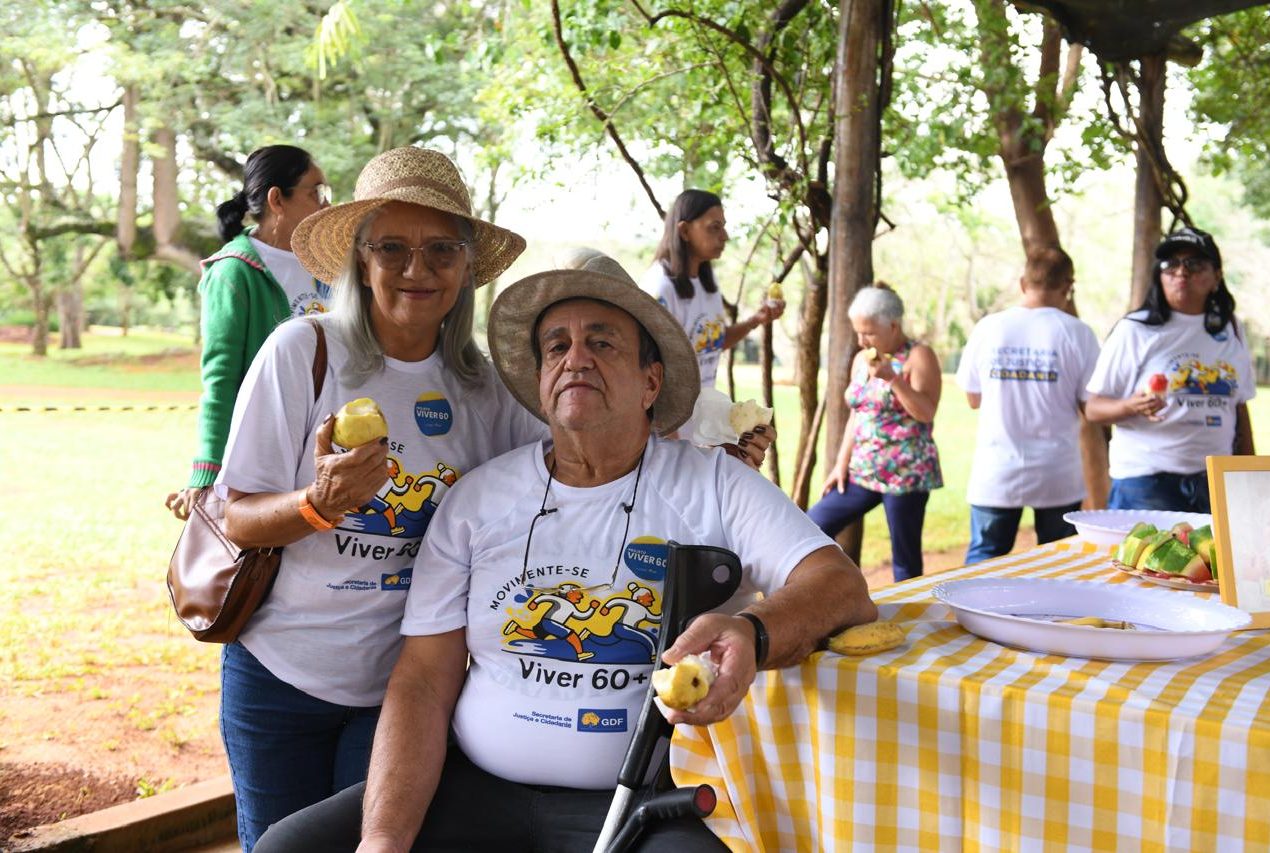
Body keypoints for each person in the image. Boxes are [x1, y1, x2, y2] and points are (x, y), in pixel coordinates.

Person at [253, 250, 877, 853]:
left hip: (649, 794)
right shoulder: (476, 500)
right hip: (476, 788)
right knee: (289, 846)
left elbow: (841, 586)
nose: (576, 359)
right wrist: (384, 838)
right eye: (557, 347)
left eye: (602, 343)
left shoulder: (715, 485)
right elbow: (423, 678)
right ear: (541, 381)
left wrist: (751, 632)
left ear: (650, 381)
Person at [212, 145, 544, 851]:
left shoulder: (485, 389)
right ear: (360, 258)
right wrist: (316, 503)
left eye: (441, 251)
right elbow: (233, 515)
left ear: (465, 267)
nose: (417, 271)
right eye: (392, 247)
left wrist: (696, 448)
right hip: (279, 674)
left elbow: (570, 463)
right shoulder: (301, 353)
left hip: (402, 693)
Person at [166, 144, 332, 521]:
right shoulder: (234, 273)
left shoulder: (328, 264)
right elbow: (220, 377)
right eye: (315, 192)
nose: (325, 205)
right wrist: (206, 471)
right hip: (265, 450)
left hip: (322, 449)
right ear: (277, 199)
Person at [1086, 227, 1256, 511]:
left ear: (1216, 276)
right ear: (1159, 275)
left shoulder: (1232, 329)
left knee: (1217, 557)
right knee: (1141, 558)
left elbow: (1239, 408)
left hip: (1214, 479)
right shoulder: (1136, 330)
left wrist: (1249, 473)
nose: (1181, 272)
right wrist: (1132, 406)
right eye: (1171, 264)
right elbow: (1093, 409)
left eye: (1194, 264)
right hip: (1147, 480)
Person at [956, 246, 1100, 563]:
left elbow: (972, 397)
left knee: (984, 557)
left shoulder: (988, 328)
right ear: (1067, 286)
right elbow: (1091, 404)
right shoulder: (1078, 333)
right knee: (1058, 560)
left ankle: (966, 614)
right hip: (1056, 471)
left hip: (997, 469)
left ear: (1024, 283)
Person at [807, 283, 942, 583]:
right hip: (863, 471)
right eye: (858, 332)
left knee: (905, 560)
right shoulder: (861, 359)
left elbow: (926, 412)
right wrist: (841, 465)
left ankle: (910, 618)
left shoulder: (919, 356)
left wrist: (893, 378)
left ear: (893, 326)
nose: (861, 340)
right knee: (811, 524)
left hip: (906, 474)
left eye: (868, 332)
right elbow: (858, 413)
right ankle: (827, 588)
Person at [640, 190, 784, 430]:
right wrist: (668, 430)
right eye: (714, 227)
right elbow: (646, 365)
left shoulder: (708, 285)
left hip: (701, 423)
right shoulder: (660, 287)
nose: (725, 236)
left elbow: (711, 343)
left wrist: (756, 320)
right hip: (668, 429)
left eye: (724, 227)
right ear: (685, 231)